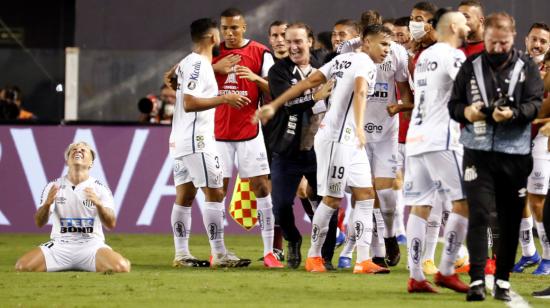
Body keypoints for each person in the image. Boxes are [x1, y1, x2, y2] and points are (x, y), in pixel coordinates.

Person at [256, 24, 393, 275]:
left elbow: (309, 82)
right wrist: (361, 126)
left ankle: (363, 260)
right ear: (367, 42)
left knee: (365, 194)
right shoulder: (365, 63)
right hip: (338, 138)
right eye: (383, 44)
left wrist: (274, 104)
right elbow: (361, 91)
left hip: (349, 139)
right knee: (331, 199)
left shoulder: (341, 60)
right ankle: (314, 256)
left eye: (389, 45)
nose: (387, 49)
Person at [448, 12, 544, 301]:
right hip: (477, 150)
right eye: (492, 42)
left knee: (510, 218)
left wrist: (513, 114)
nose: (498, 48)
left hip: (514, 154)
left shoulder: (527, 67)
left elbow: (535, 104)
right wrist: (466, 112)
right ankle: (477, 280)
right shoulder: (471, 64)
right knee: (478, 213)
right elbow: (453, 104)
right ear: (485, 37)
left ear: (512, 38)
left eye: (503, 42)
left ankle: (502, 279)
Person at [166, 18, 253, 268]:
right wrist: (224, 98)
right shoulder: (197, 64)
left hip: (182, 140)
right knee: (214, 193)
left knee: (185, 196)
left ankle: (182, 254)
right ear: (212, 37)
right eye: (219, 33)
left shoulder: (190, 62)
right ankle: (220, 253)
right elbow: (189, 102)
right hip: (197, 140)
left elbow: (170, 79)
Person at [334, 12, 414, 270]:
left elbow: (404, 92)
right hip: (357, 133)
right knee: (364, 192)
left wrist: (399, 107)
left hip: (386, 133)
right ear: (362, 37)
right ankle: (373, 252)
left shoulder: (397, 53)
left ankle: (389, 235)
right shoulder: (348, 49)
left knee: (387, 194)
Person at [404, 9, 470, 294]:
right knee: (464, 202)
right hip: (441, 138)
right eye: (464, 21)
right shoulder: (452, 54)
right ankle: (445, 270)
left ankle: (416, 276)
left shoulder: (425, 57)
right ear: (454, 26)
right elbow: (470, 90)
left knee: (421, 205)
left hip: (416, 138)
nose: (468, 25)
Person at [212, 8, 283, 268]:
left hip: (250, 131)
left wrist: (255, 78)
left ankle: (268, 252)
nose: (229, 33)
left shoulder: (260, 52)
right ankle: (217, 251)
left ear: (244, 28)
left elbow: (278, 88)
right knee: (217, 191)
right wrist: (214, 69)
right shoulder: (213, 53)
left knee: (262, 188)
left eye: (234, 28)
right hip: (218, 133)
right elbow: (193, 85)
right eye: (225, 28)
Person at [267, 22, 333, 269]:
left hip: (320, 150)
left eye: (298, 41)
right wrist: (316, 96)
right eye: (288, 41)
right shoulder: (278, 72)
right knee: (282, 205)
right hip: (287, 151)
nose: (292, 46)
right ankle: (293, 239)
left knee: (328, 202)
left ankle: (325, 257)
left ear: (310, 42)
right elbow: (289, 104)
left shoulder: (325, 68)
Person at [14, 142, 130, 273]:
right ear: (67, 162)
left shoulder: (100, 188)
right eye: (73, 150)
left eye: (83, 150)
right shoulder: (54, 186)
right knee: (22, 266)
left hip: (91, 245)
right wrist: (47, 204)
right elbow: (39, 222)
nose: (78, 151)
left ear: (91, 163)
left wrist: (99, 205)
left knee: (121, 267)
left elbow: (111, 223)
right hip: (60, 245)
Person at [514, 22, 550, 275]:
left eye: (543, 41)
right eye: (534, 39)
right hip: (515, 139)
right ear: (525, 40)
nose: (537, 44)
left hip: (540, 141)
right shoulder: (515, 64)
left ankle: (548, 258)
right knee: (517, 197)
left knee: (538, 201)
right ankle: (529, 253)